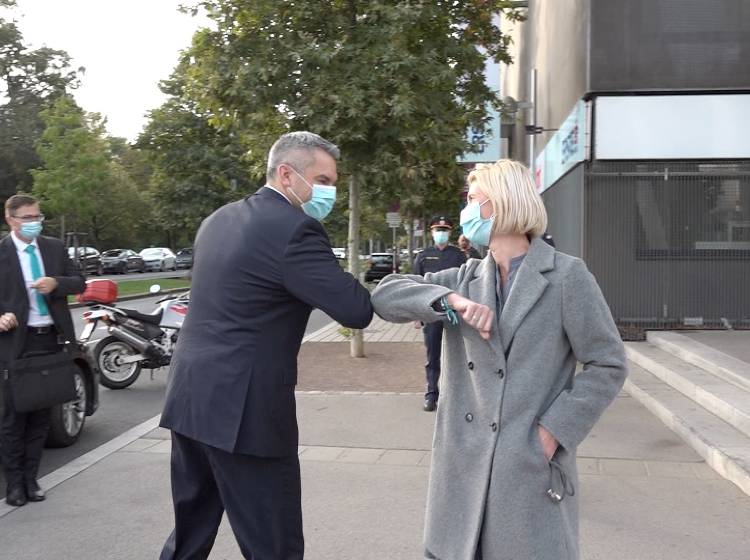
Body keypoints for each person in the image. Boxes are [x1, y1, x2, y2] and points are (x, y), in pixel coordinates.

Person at [371, 159, 627, 560]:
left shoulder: (566, 277)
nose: (465, 212)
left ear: (500, 204)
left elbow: (608, 363)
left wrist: (552, 433)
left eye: (473, 199)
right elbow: (385, 295)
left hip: (525, 466)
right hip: (462, 466)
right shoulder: (463, 277)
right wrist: (449, 301)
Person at [159, 131, 373, 560]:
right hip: (245, 415)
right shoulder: (295, 230)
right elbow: (355, 310)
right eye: (323, 179)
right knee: (274, 544)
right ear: (287, 174)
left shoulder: (218, 219)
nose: (328, 190)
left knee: (190, 533)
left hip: (190, 399)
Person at [0, 194, 85, 507]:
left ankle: (31, 479)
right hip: (15, 344)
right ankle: (14, 485)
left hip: (50, 339)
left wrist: (56, 283)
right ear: (10, 219)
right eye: (27, 218)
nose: (34, 222)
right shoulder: (2, 253)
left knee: (41, 416)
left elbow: (80, 282)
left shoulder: (54, 248)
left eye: (38, 216)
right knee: (14, 417)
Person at [412, 216, 466, 412]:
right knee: (432, 355)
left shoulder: (458, 255)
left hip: (453, 312)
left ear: (450, 233)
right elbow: (416, 285)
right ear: (432, 233)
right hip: (431, 311)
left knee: (457, 355)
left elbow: (465, 283)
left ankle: (456, 395)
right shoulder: (424, 255)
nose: (441, 233)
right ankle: (431, 394)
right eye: (438, 230)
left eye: (444, 230)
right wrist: (417, 314)